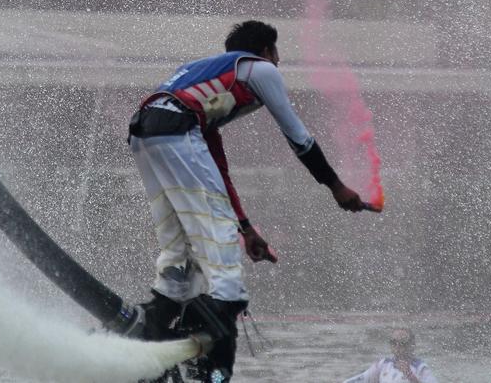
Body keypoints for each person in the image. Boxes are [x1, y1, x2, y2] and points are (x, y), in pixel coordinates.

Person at [123, 20, 372, 382]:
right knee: (221, 248)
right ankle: (215, 356)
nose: (279, 62)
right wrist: (335, 186)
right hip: (174, 128)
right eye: (277, 53)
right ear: (267, 51)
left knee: (179, 247)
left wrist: (247, 227)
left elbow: (217, 170)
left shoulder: (202, 82)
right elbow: (299, 138)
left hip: (144, 134)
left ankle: (157, 325)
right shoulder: (259, 68)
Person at [341, 329, 439, 383]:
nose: (397, 346)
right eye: (393, 342)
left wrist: (410, 376)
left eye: (402, 342)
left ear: (412, 345)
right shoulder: (383, 365)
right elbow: (358, 380)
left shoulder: (420, 368)